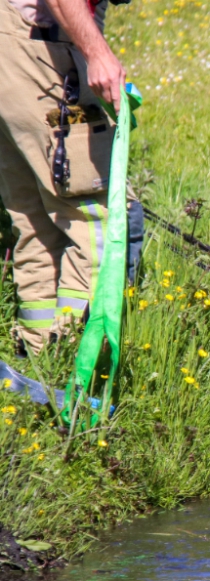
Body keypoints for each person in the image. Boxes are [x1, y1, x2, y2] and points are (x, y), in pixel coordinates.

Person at [0, 0, 128, 355]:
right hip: (44, 50)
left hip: (12, 49)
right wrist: (97, 53)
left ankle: (37, 363)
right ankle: (73, 357)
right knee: (102, 221)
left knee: (35, 221)